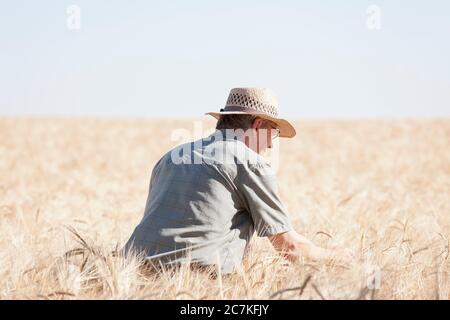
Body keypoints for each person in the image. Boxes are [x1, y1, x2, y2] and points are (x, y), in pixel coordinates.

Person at [124, 88, 354, 274]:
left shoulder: (170, 157)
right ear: (256, 125)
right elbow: (290, 248)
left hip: (133, 273)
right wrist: (341, 258)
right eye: (272, 132)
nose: (271, 145)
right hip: (202, 282)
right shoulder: (250, 162)